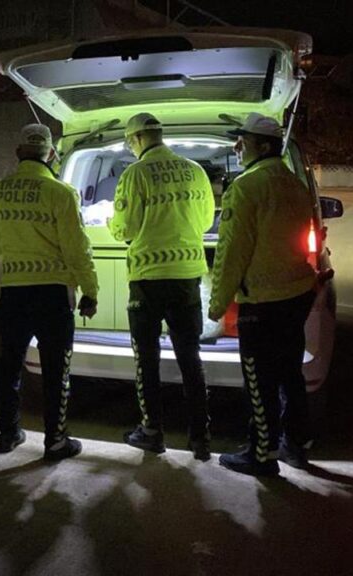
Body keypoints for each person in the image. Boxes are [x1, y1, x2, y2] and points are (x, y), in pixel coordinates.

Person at [0, 123, 98, 461]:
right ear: (51, 154)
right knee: (56, 369)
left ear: (18, 152)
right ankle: (55, 441)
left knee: (10, 363)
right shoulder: (61, 193)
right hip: (53, 295)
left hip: (14, 293)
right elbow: (77, 249)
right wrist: (90, 290)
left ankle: (8, 433)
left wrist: (14, 244)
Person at [208, 113, 318, 476]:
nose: (237, 147)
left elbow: (232, 252)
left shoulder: (246, 187)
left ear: (265, 145)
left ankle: (261, 454)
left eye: (244, 141)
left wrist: (218, 303)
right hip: (296, 294)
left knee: (259, 379)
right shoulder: (294, 184)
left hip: (262, 301)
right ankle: (297, 443)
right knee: (289, 374)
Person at [108, 113, 216, 461]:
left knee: (147, 358)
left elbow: (125, 229)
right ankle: (200, 437)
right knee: (190, 356)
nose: (130, 147)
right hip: (187, 277)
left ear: (138, 138)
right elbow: (205, 220)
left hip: (148, 280)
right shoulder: (195, 171)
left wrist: (110, 223)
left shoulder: (135, 174)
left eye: (129, 142)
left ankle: (152, 432)